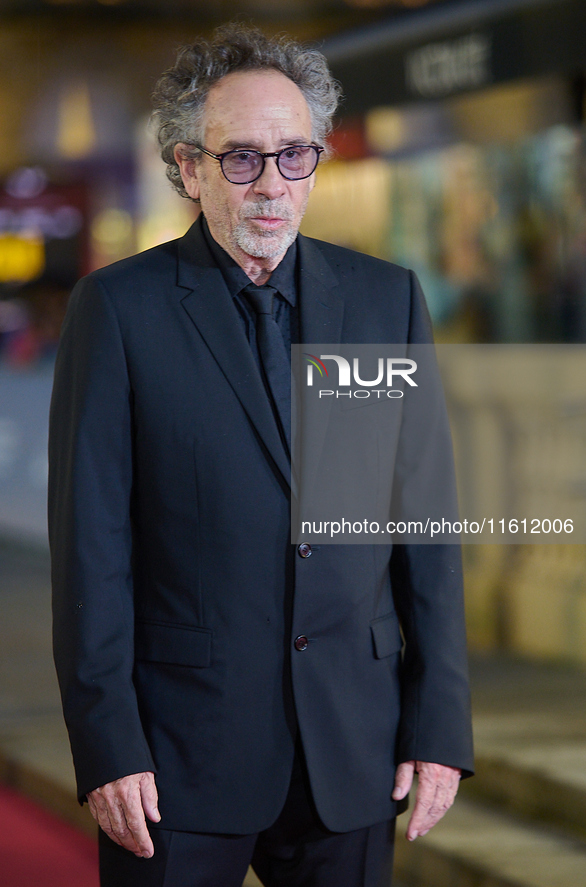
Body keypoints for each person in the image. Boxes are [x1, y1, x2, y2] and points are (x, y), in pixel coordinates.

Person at [48, 23, 473, 887]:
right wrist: (106, 745)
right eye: (241, 158)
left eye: (294, 154)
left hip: (353, 750)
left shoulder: (385, 300)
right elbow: (91, 552)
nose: (272, 183)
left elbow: (423, 531)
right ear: (189, 168)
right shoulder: (118, 311)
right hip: (174, 760)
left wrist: (438, 728)